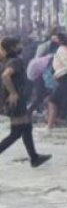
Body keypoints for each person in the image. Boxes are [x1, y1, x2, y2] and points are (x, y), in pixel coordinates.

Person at [0, 37, 52, 168]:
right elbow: (6, 76)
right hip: (15, 101)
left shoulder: (6, 61)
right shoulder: (15, 61)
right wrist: (13, 92)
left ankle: (34, 157)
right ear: (12, 48)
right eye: (18, 44)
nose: (21, 46)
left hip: (14, 100)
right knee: (16, 132)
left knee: (27, 127)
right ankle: (34, 157)